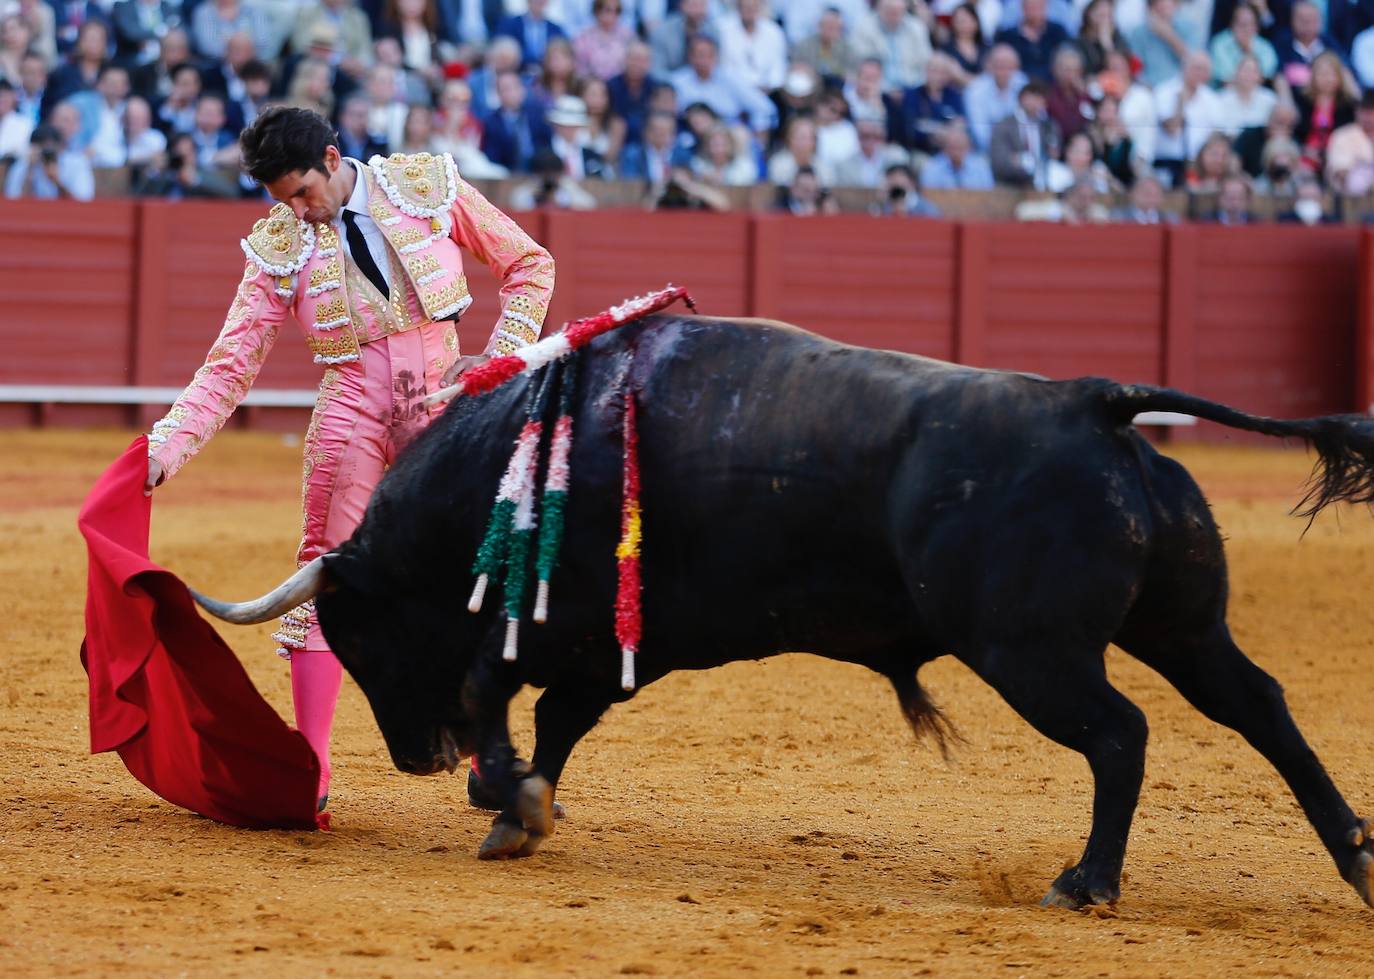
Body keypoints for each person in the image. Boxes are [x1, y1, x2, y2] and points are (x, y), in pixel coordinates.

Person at [142, 106, 556, 817]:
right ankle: (314, 768)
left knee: (481, 570)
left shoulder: (423, 185)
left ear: (333, 160)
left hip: (446, 398)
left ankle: (491, 757)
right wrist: (166, 445)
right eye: (282, 201)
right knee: (325, 574)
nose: (298, 213)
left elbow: (528, 264)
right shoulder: (280, 242)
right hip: (351, 409)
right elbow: (231, 363)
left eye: (303, 193)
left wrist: (504, 356)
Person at [4, 110, 94, 199]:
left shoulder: (77, 163)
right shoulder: (23, 164)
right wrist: (29, 169)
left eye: (51, 147)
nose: (46, 152)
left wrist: (57, 181)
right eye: (42, 147)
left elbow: (83, 200)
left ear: (60, 146)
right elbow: (14, 200)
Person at [989, 79, 1060, 187]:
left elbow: (1054, 154)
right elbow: (1000, 160)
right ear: (1021, 98)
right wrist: (1024, 165)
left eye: (1040, 98)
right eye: (1033, 96)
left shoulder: (1049, 126)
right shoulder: (1004, 125)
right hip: (1011, 183)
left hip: (1043, 182)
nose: (1036, 102)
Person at [1126, 0, 1204, 89]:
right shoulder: (1139, 33)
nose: (1164, 4)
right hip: (1149, 90)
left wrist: (1168, 35)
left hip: (1182, 89)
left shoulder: (1190, 28)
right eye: (1159, 2)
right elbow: (1136, 70)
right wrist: (1146, 87)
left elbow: (1194, 62)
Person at [965, 43, 1026, 149]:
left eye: (1009, 66)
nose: (1004, 71)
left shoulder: (1023, 83)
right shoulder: (975, 90)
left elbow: (1034, 120)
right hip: (986, 153)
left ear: (1016, 67)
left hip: (1021, 149)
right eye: (999, 66)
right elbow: (980, 133)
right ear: (989, 66)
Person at [993, 0, 1070, 82]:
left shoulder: (1057, 32)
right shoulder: (1007, 36)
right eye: (1031, 7)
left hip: (1053, 83)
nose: (1035, 12)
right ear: (1023, 8)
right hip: (1017, 84)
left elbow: (1066, 56)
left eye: (1038, 7)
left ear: (1046, 8)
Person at [1209, 2, 1277, 84]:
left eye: (1250, 24)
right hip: (1224, 92)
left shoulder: (1265, 46)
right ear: (1232, 24)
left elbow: (1267, 73)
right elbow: (1225, 77)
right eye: (1242, 24)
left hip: (1256, 91)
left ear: (1256, 27)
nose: (1246, 29)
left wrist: (1249, 51)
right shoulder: (1219, 43)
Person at [919, 120, 995, 188]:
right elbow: (928, 197)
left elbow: (989, 195)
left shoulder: (981, 167)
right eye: (952, 147)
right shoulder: (932, 168)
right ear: (944, 148)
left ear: (968, 147)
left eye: (960, 147)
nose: (956, 152)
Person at [1326, 88, 1374, 194]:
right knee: (1358, 178)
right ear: (1357, 112)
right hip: (1352, 197)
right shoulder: (1342, 135)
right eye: (1365, 111)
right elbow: (1341, 172)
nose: (1369, 117)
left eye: (1372, 112)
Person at [1110, 173, 1179, 222]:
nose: (1150, 198)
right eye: (1146, 192)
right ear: (1133, 193)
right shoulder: (1118, 217)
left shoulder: (1170, 219)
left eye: (1155, 194)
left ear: (1161, 198)